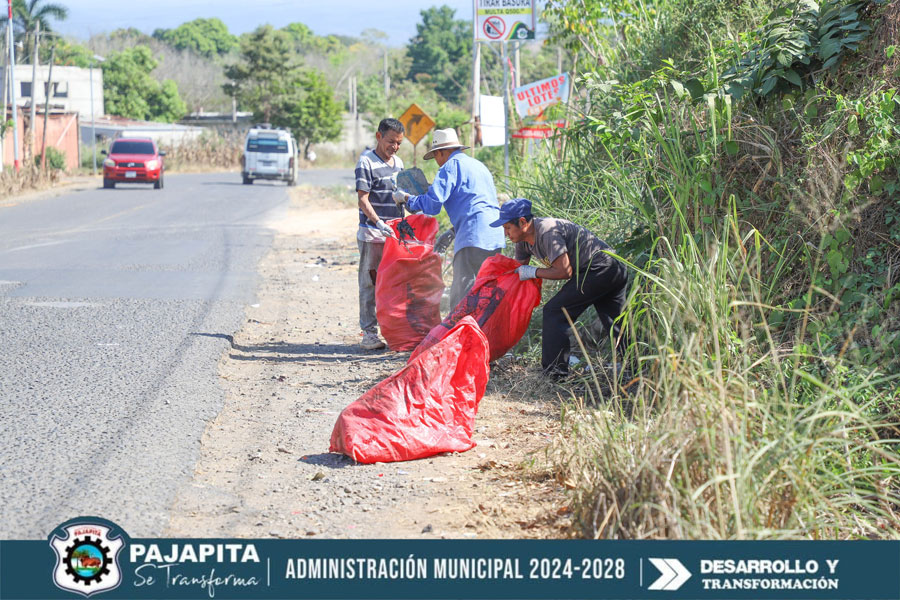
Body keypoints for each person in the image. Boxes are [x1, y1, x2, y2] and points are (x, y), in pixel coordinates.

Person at [491, 198, 629, 377]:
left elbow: (564, 271)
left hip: (602, 267)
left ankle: (555, 373)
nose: (506, 233)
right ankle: (636, 366)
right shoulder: (522, 242)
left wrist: (534, 272)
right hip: (605, 268)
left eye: (508, 228)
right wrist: (497, 295)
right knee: (615, 319)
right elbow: (517, 271)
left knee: (555, 312)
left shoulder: (547, 232)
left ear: (523, 222)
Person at [392, 128, 506, 309]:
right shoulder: (478, 166)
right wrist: (453, 231)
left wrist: (406, 198)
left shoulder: (449, 167)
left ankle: (456, 326)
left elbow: (432, 205)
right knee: (487, 292)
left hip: (473, 236)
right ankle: (486, 326)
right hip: (495, 235)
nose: (437, 161)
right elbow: (479, 204)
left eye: (436, 156)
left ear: (441, 152)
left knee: (462, 292)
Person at [355, 118, 405, 350]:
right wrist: (378, 222)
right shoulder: (366, 162)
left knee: (394, 285)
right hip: (372, 235)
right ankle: (369, 333)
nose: (394, 147)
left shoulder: (399, 164)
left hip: (394, 237)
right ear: (378, 136)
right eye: (391, 141)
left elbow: (403, 195)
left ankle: (394, 331)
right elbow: (363, 199)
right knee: (370, 283)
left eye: (399, 143)